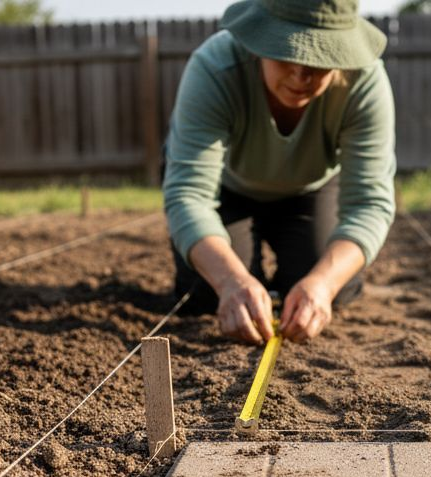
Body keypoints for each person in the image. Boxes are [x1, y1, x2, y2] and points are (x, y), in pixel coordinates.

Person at [164, 0, 396, 345]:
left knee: (325, 289)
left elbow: (369, 203)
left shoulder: (363, 82)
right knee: (211, 295)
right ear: (257, 41)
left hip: (312, 191)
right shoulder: (214, 68)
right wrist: (230, 280)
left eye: (320, 59)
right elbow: (189, 195)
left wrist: (323, 283)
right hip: (227, 191)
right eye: (288, 53)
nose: (301, 76)